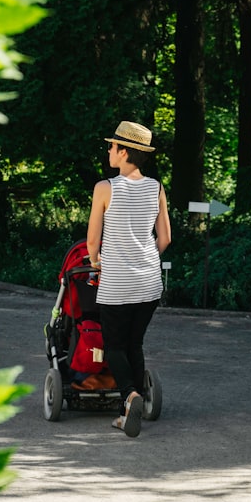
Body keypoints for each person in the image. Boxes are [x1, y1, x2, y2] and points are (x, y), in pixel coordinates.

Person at [87, 121, 172, 438]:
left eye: (112, 146)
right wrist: (145, 257)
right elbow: (164, 238)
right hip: (150, 281)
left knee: (114, 346)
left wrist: (97, 262)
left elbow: (93, 240)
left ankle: (130, 398)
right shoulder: (157, 188)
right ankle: (137, 401)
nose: (109, 151)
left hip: (117, 282)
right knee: (134, 343)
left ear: (124, 151)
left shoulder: (104, 188)